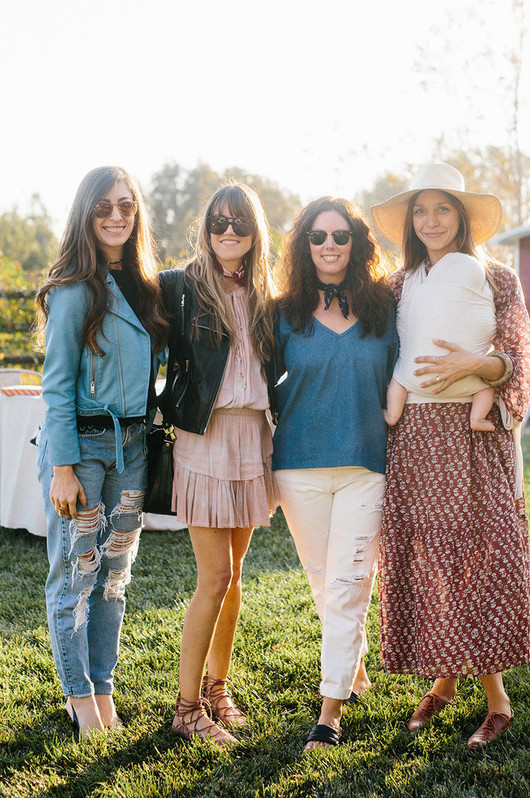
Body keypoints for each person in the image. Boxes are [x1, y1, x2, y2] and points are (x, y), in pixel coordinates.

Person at [370, 163, 530, 748]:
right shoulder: (396, 285)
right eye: (421, 210)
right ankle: (444, 681)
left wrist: (476, 366)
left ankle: (497, 699)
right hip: (414, 435)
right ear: (410, 221)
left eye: (443, 209)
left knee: (480, 555)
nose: (431, 220)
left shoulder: (498, 278)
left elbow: (517, 354)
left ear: (462, 217)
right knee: (434, 557)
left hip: (476, 433)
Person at [36, 166, 168, 738]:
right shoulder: (73, 289)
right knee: (76, 575)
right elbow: (56, 386)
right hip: (82, 451)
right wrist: (63, 468)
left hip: (133, 449)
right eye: (104, 208)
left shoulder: (149, 285)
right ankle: (78, 696)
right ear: (86, 216)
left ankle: (104, 684)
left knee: (114, 576)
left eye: (127, 205)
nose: (117, 216)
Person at [271, 197, 398, 750]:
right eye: (318, 236)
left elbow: (408, 375)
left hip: (368, 465)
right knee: (326, 584)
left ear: (356, 243)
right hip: (298, 468)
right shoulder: (281, 313)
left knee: (348, 587)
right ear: (304, 245)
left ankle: (329, 714)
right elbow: (253, 386)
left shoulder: (383, 310)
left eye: (340, 236)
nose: (329, 246)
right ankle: (353, 665)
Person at [159, 182, 275, 746]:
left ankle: (217, 687)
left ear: (256, 235)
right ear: (206, 229)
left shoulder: (265, 294)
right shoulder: (180, 287)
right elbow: (126, 330)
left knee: (234, 580)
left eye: (240, 224)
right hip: (203, 438)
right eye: (218, 223)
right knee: (216, 577)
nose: (228, 233)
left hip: (254, 439)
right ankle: (185, 709)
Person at [384, 251, 496, 431]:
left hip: (411, 378)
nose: (432, 222)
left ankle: (392, 414)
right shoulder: (400, 281)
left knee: (398, 381)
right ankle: (477, 419)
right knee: (486, 389)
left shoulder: (499, 280)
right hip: (471, 384)